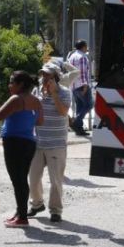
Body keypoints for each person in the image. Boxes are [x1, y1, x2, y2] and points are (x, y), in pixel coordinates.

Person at [0, 71, 44, 228]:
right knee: (21, 179)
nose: (9, 85)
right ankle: (20, 212)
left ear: (20, 85)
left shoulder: (16, 99)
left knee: (18, 181)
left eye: (12, 82)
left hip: (15, 143)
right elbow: (40, 121)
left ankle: (22, 217)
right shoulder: (37, 101)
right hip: (29, 143)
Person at [27, 62, 71, 223]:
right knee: (33, 178)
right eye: (43, 75)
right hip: (38, 142)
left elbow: (63, 112)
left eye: (48, 75)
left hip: (56, 143)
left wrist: (53, 94)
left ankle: (56, 210)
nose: (44, 78)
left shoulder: (65, 92)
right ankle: (37, 204)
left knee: (55, 181)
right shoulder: (36, 91)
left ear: (56, 77)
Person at [67, 39, 92, 136]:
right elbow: (82, 72)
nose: (87, 49)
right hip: (82, 85)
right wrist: (85, 85)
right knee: (89, 104)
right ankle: (76, 122)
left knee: (80, 106)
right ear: (83, 47)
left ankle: (79, 129)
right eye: (86, 47)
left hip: (73, 86)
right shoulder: (82, 57)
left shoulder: (72, 57)